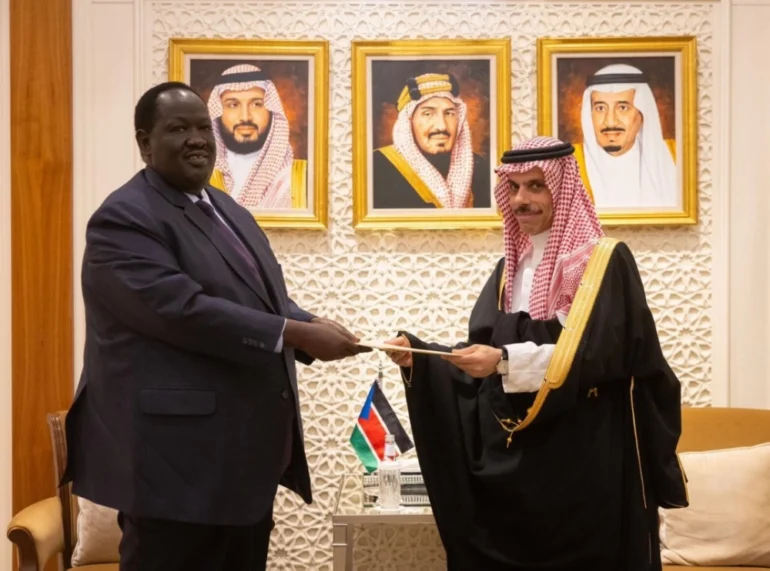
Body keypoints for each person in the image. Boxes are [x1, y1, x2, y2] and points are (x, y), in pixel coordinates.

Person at [62, 81, 369, 571]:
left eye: (203, 127)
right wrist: (293, 334)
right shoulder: (124, 218)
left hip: (240, 463)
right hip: (173, 469)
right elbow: (182, 310)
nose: (197, 139)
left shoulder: (227, 209)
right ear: (145, 142)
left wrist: (311, 323)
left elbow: (258, 299)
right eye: (178, 129)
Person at [384, 136, 688, 570]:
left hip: (585, 461)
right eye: (513, 188)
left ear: (563, 189)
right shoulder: (509, 270)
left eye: (536, 186)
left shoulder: (604, 261)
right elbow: (484, 353)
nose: (521, 200)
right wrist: (423, 357)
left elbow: (600, 355)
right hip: (520, 464)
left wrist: (505, 360)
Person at [372, 72, 490, 209]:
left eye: (449, 113)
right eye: (428, 113)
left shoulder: (480, 167)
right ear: (409, 122)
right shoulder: (377, 166)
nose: (442, 126)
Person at [576, 63, 678, 209]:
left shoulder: (676, 156)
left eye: (623, 108)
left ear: (642, 114)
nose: (610, 121)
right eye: (600, 108)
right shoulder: (570, 162)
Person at [207, 64, 306, 209]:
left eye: (256, 104)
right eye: (233, 105)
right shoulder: (203, 175)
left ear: (271, 110)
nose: (245, 117)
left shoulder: (295, 179)